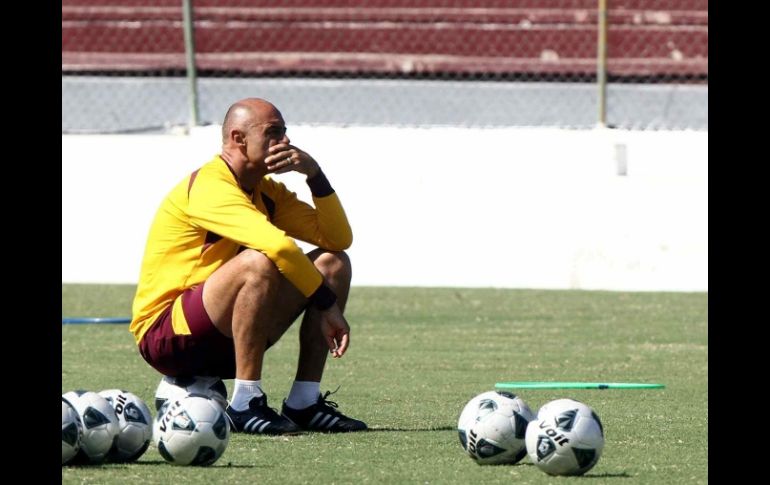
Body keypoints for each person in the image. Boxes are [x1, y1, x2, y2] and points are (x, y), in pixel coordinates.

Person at [129, 97, 367, 434]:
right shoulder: (210, 185)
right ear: (239, 139)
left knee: (333, 264)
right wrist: (327, 306)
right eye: (273, 133)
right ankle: (245, 402)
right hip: (168, 336)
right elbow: (277, 247)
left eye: (285, 133)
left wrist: (315, 174)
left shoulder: (266, 191)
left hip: (227, 336)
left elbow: (336, 238)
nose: (285, 142)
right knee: (258, 261)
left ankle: (304, 402)